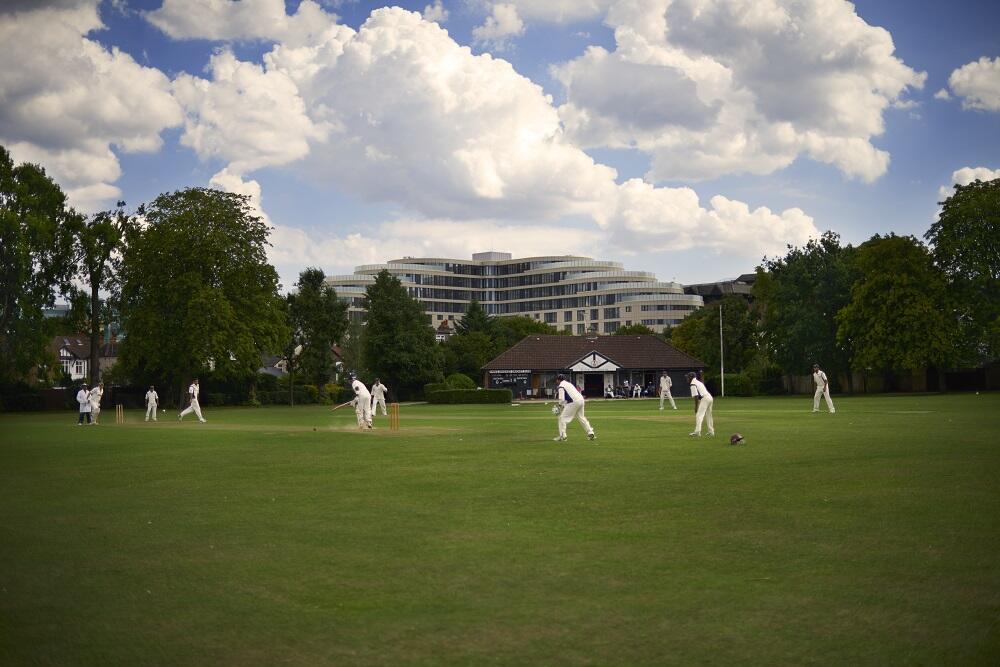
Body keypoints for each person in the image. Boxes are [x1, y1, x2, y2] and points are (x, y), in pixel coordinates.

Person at [553, 373, 596, 442]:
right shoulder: (569, 383)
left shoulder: (561, 386)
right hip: (581, 400)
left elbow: (561, 399)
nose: (556, 382)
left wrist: (559, 406)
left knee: (562, 418)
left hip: (573, 402)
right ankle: (590, 432)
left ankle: (563, 436)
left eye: (556, 380)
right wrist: (563, 405)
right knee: (582, 418)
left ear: (558, 380)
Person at [686, 371, 714, 437]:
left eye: (688, 377)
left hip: (705, 399)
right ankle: (711, 432)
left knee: (699, 415)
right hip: (710, 397)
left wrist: (696, 408)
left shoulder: (693, 384)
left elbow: (696, 397)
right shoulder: (698, 382)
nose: (687, 379)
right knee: (709, 415)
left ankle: (697, 432)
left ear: (691, 377)